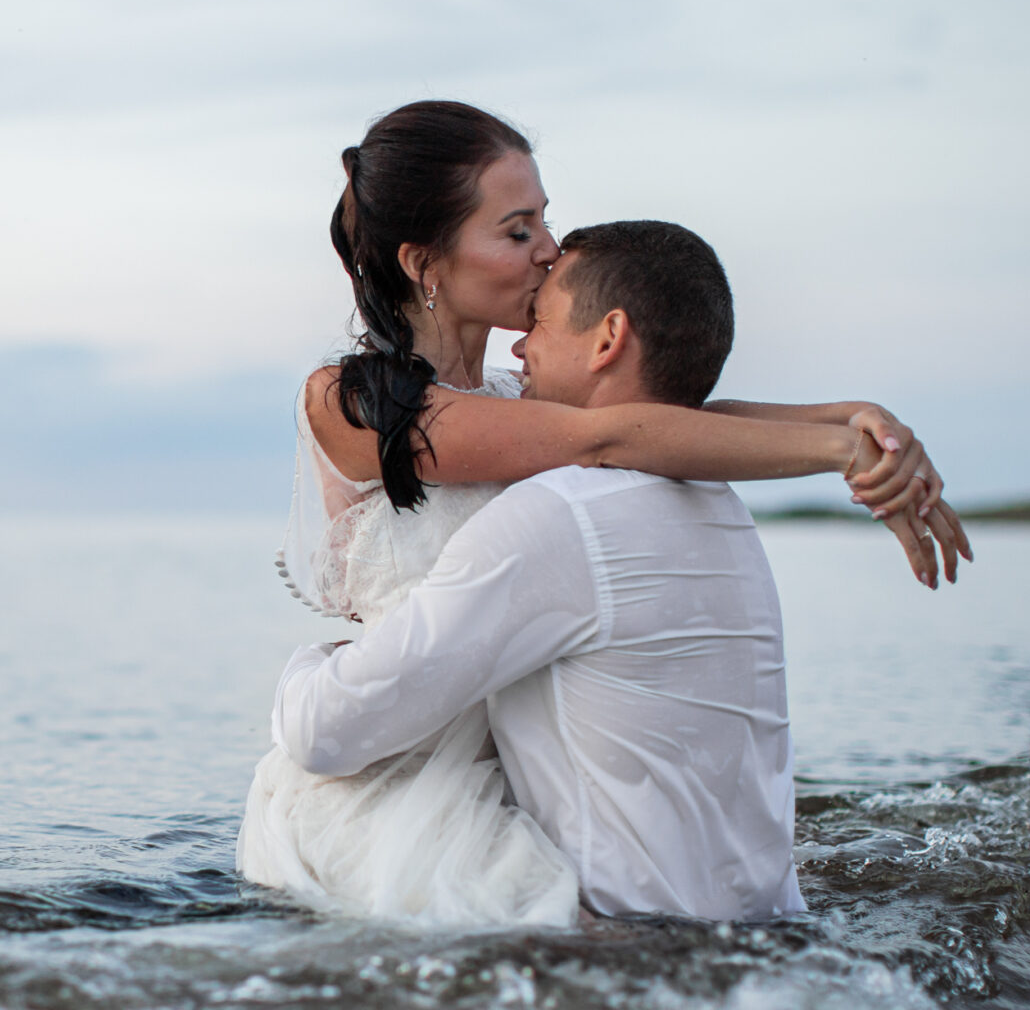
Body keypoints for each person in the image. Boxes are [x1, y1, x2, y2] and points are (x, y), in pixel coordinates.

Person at [238, 100, 966, 927]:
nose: (549, 248)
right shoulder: (355, 401)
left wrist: (852, 418)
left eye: (544, 220)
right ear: (425, 263)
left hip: (524, 771)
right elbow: (612, 433)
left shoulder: (521, 401)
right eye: (517, 231)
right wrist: (840, 451)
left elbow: (653, 428)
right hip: (398, 777)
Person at [267, 220, 865, 921]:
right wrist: (848, 425)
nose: (522, 340)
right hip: (771, 923)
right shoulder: (717, 498)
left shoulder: (557, 516)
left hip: (629, 953)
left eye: (542, 321)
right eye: (520, 229)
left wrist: (314, 662)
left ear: (608, 339)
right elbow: (663, 425)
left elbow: (325, 733)